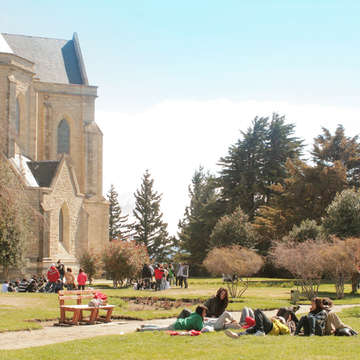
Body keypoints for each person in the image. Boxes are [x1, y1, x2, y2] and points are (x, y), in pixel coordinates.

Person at [225, 309, 290, 338]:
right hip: (267, 329)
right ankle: (237, 335)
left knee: (257, 311)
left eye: (280, 319)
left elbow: (287, 331)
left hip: (271, 328)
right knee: (251, 329)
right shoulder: (276, 322)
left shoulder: (282, 325)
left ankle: (261, 331)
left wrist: (276, 320)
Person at [138, 305, 208, 332]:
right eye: (204, 312)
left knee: (162, 327)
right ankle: (142, 329)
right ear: (201, 312)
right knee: (160, 329)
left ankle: (146, 325)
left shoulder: (195, 314)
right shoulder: (198, 318)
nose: (205, 314)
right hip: (178, 326)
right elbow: (200, 329)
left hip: (179, 322)